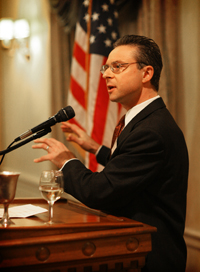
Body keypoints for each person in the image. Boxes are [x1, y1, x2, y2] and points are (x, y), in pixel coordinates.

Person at [32, 35, 189, 272]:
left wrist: (66, 160)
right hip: (133, 247)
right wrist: (96, 149)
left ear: (146, 73)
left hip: (149, 255)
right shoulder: (147, 120)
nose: (105, 74)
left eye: (117, 67)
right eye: (106, 67)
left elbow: (101, 191)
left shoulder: (151, 131)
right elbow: (133, 169)